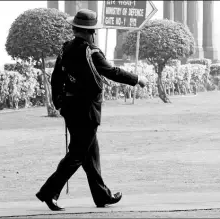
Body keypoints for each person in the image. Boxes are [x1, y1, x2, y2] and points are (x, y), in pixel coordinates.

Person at [35, 9, 148, 211]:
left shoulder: (65, 48)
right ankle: (48, 192)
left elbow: (56, 78)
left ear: (75, 28)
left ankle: (101, 195)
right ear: (92, 31)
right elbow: (111, 71)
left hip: (70, 108)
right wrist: (137, 79)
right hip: (86, 111)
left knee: (90, 154)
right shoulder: (90, 51)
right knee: (77, 154)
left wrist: (58, 103)